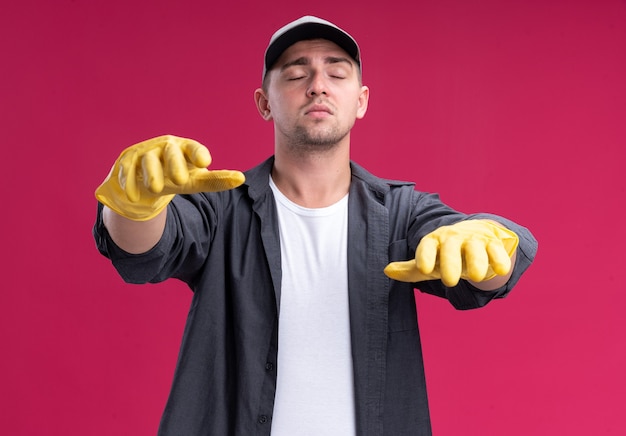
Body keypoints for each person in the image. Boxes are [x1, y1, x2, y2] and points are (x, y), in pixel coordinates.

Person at [93, 15, 537, 436]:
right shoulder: (222, 206)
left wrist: (490, 240)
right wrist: (133, 206)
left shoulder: (402, 211)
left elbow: (484, 274)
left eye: (337, 74)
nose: (318, 86)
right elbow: (144, 249)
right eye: (295, 73)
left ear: (360, 101)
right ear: (264, 103)